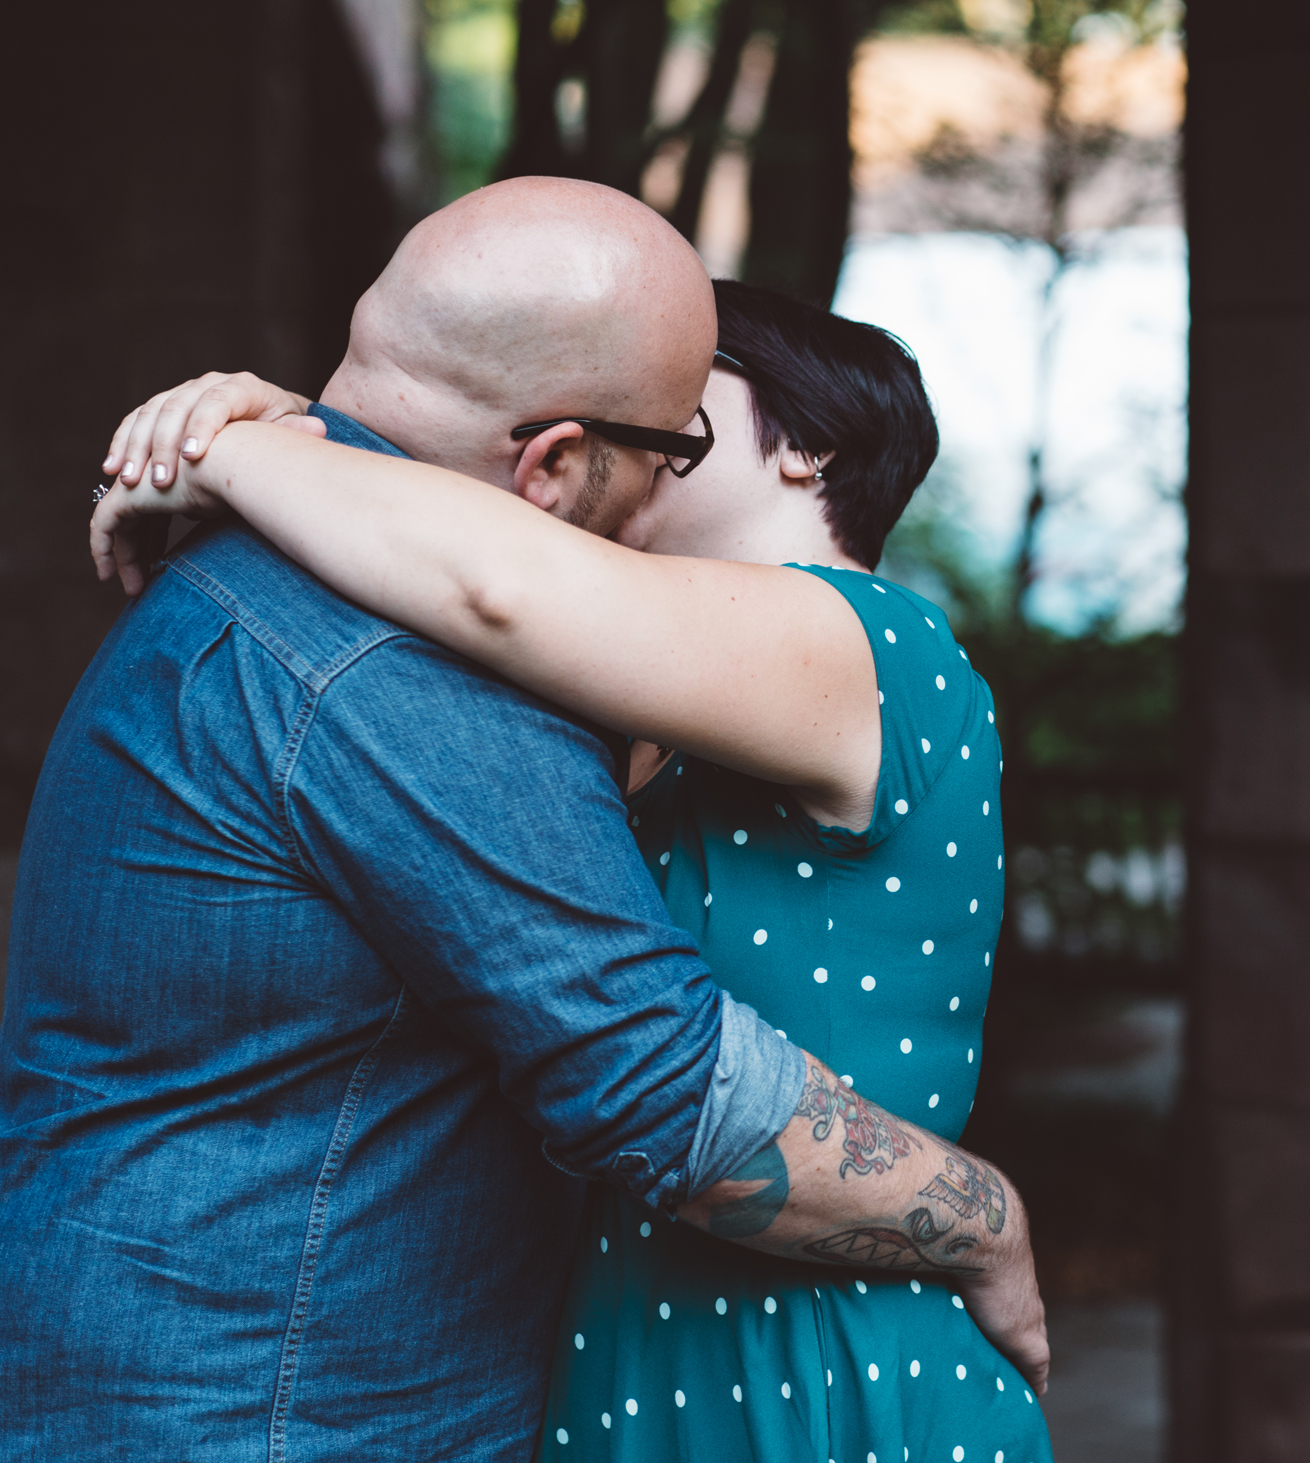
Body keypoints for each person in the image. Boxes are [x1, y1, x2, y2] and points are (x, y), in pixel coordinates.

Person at [2, 177, 1041, 1461]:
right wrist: (980, 1210)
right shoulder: (407, 657)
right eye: (668, 437)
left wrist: (259, 439)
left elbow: (505, 577)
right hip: (278, 1406)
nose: (667, 473)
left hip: (700, 1357)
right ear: (550, 459)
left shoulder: (805, 643)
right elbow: (659, 1079)